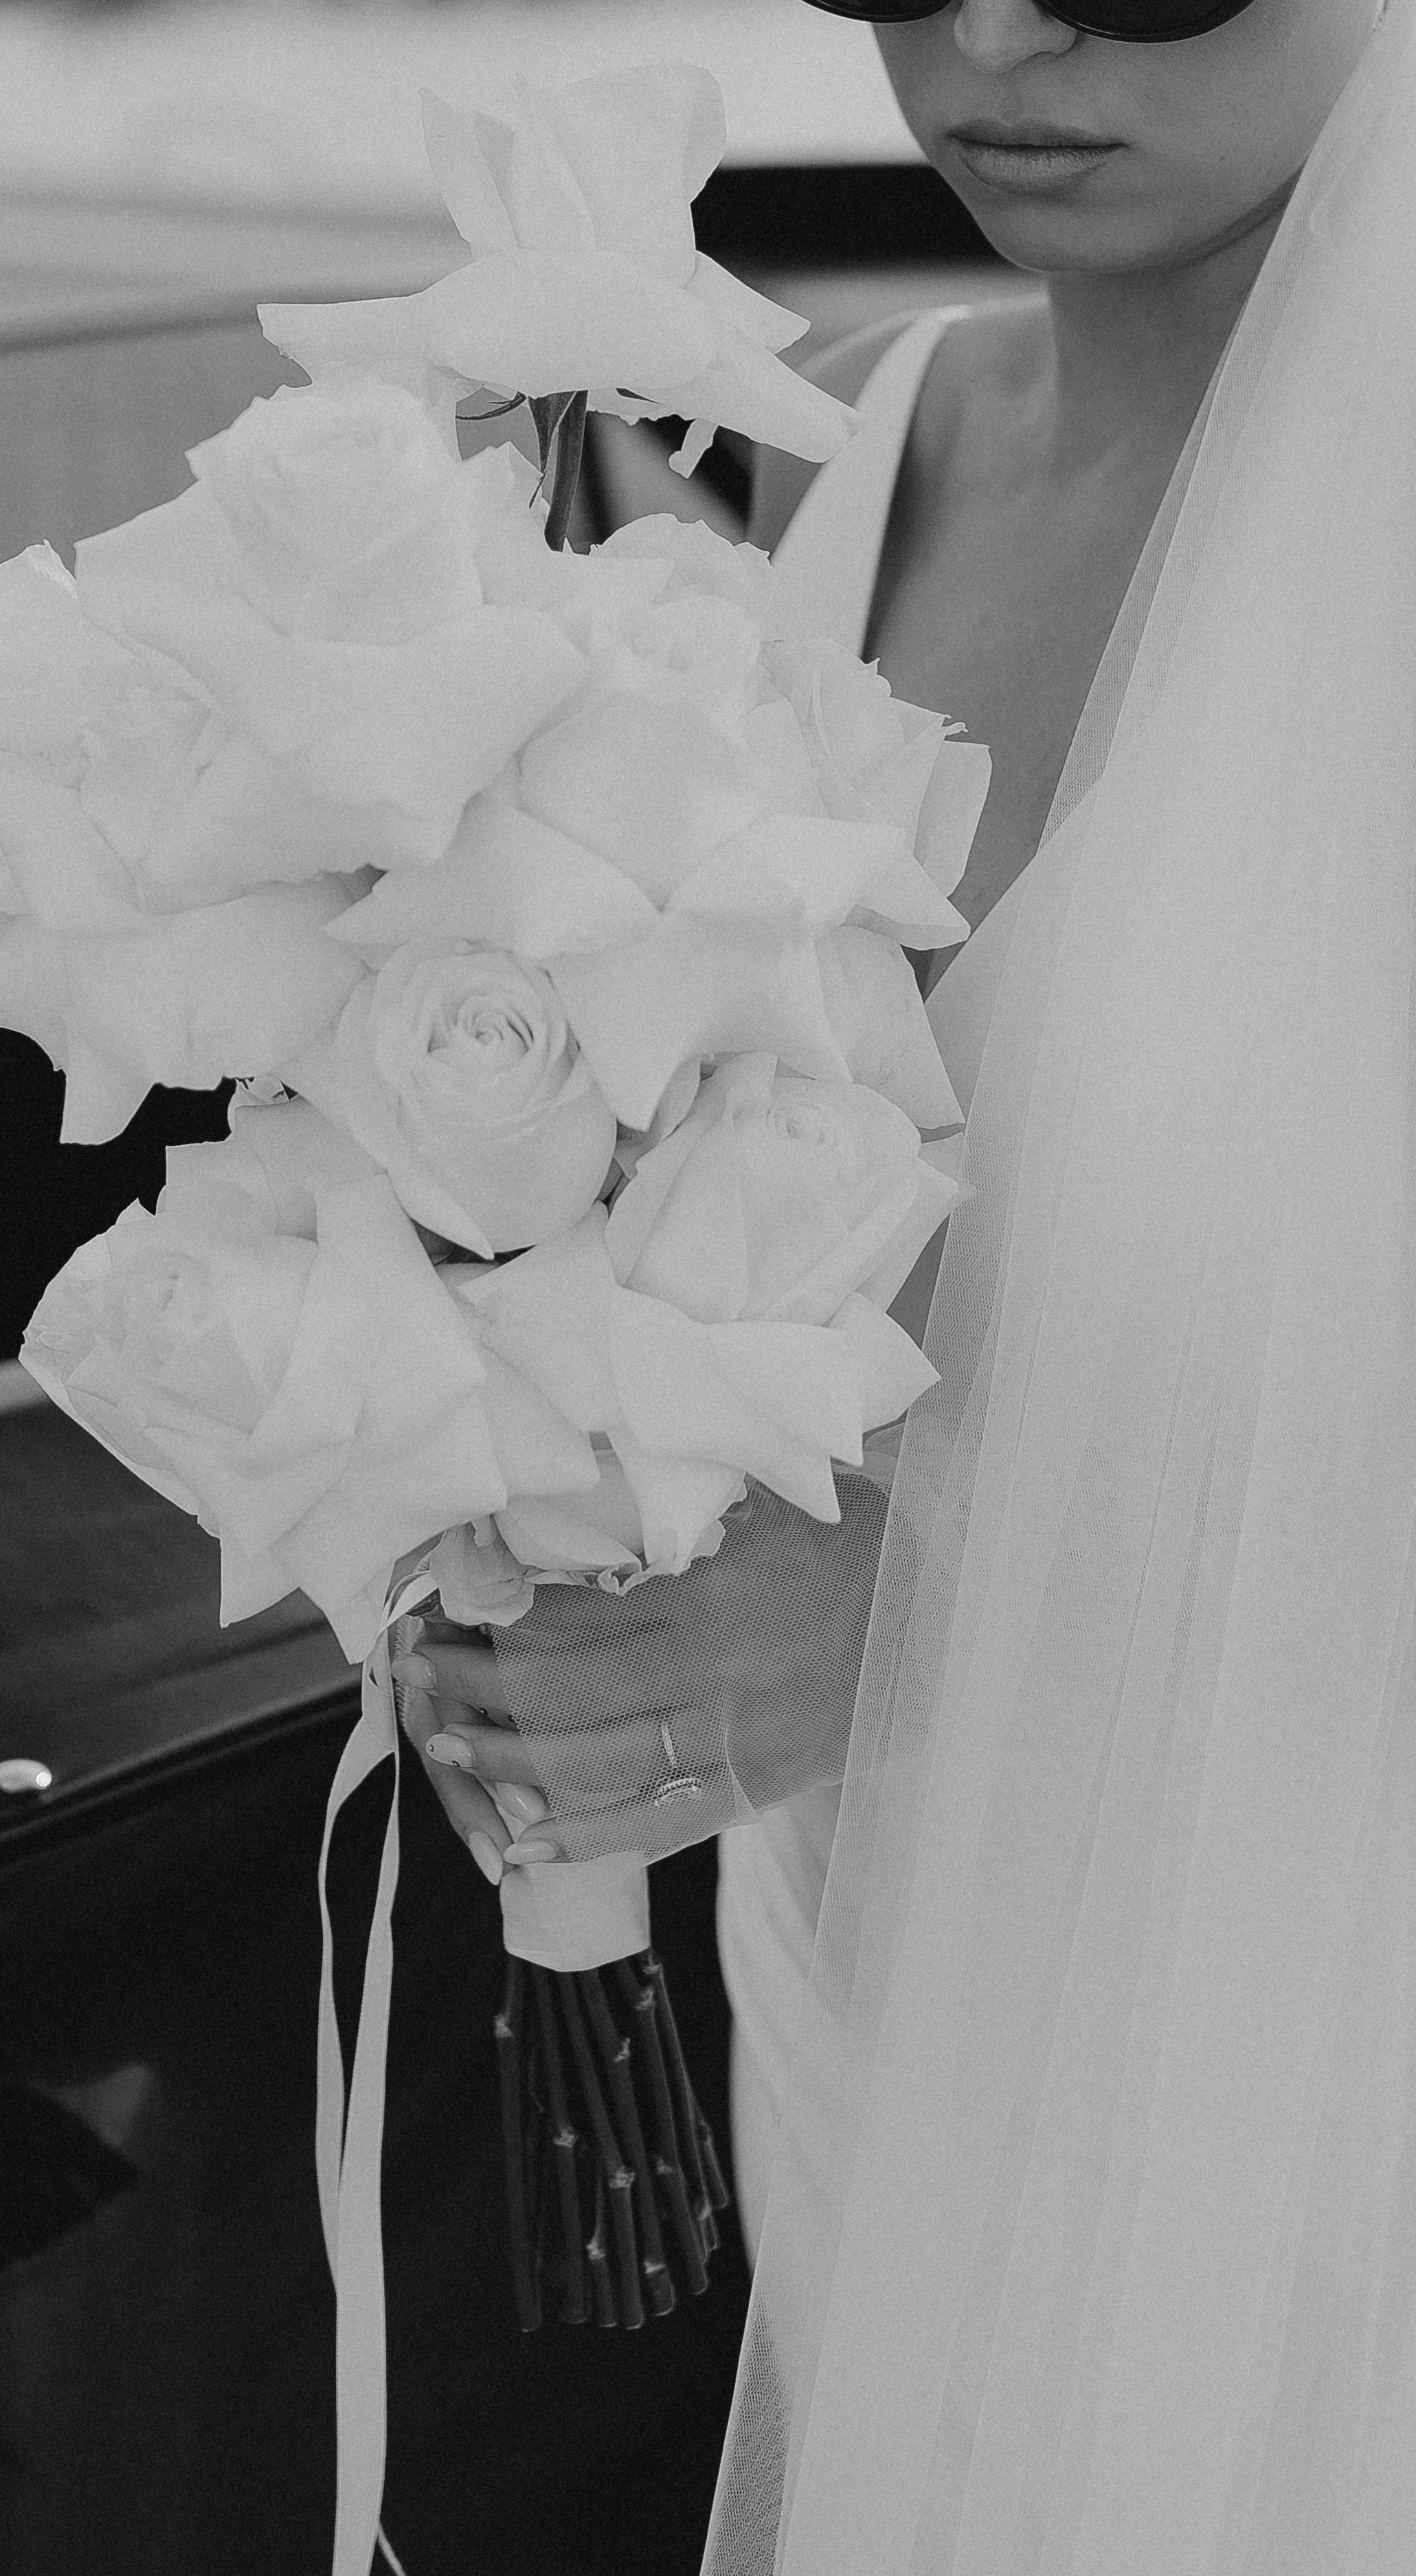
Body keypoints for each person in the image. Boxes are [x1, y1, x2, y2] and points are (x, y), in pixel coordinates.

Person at [404, 0, 1415, 2562]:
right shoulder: (827, 465)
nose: (990, 32)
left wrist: (936, 1619)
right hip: (885, 1993)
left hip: (1324, 2050)